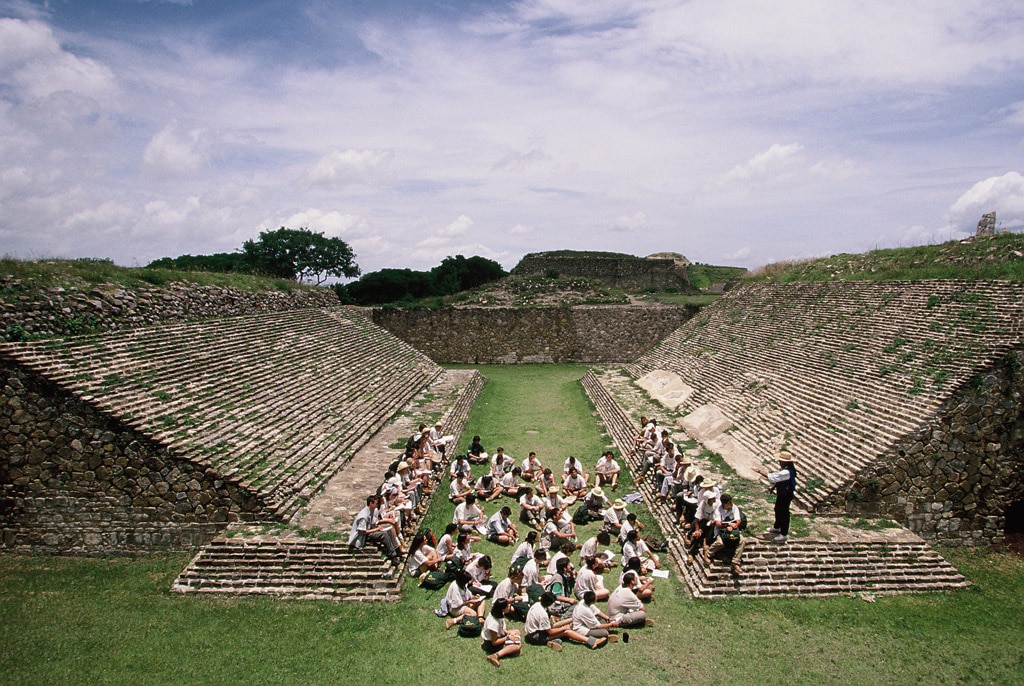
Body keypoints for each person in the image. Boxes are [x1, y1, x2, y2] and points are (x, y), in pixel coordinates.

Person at [524, 591, 603, 650]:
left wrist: (572, 619)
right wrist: (564, 628)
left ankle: (555, 640)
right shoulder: (542, 614)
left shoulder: (537, 605)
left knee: (556, 625)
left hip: (534, 632)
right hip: (536, 637)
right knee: (566, 632)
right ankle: (591, 641)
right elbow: (550, 632)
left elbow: (550, 627)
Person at [755, 451, 797, 543]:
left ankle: (784, 533)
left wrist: (759, 471)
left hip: (786, 494)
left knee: (784, 512)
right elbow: (779, 481)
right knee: (777, 509)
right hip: (782, 493)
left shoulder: (786, 472)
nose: (779, 462)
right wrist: (773, 488)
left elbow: (773, 477)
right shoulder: (785, 469)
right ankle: (777, 526)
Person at [348, 495, 401, 564]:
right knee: (383, 535)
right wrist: (376, 530)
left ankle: (397, 549)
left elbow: (371, 524)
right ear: (371, 503)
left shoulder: (370, 511)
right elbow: (362, 532)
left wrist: (377, 528)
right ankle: (392, 555)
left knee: (389, 530)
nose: (377, 505)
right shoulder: (363, 516)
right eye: (376, 503)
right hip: (362, 537)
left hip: (368, 532)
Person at [705, 493, 746, 575]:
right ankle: (708, 553)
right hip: (722, 530)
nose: (731, 504)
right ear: (724, 504)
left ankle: (735, 561)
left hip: (733, 529)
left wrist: (734, 526)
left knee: (742, 541)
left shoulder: (734, 508)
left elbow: (738, 520)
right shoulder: (718, 510)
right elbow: (718, 524)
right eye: (729, 503)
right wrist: (728, 525)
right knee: (720, 543)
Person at [481, 598, 522, 667]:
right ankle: (495, 655)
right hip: (490, 644)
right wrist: (508, 637)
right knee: (517, 647)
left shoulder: (499, 613)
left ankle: (509, 648)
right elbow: (494, 642)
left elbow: (502, 628)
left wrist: (508, 633)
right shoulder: (493, 623)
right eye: (507, 606)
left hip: (501, 635)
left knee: (517, 632)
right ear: (503, 608)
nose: (509, 607)